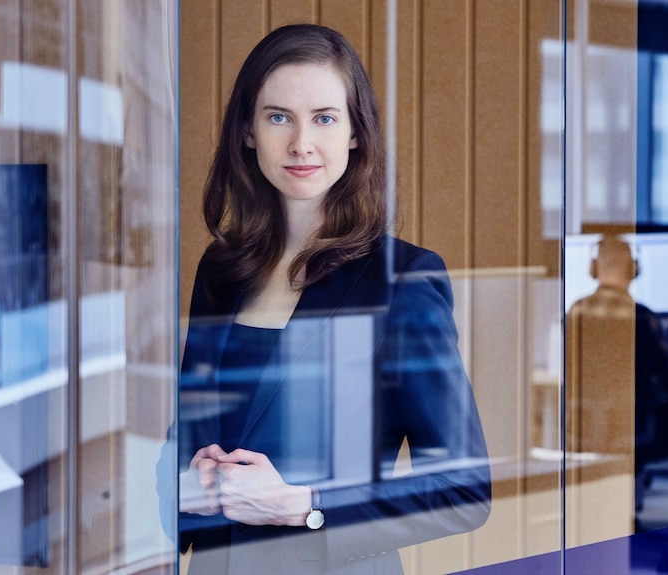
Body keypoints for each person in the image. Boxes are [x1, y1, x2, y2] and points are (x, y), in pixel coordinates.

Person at [163, 24, 491, 574]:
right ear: (247, 131)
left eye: (324, 118)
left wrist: (308, 507)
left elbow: (463, 490)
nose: (301, 144)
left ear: (355, 133)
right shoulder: (220, 271)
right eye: (277, 117)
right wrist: (179, 494)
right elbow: (187, 435)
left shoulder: (402, 279)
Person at [566, 236, 668, 516]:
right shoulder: (641, 317)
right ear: (634, 270)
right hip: (631, 428)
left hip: (583, 426)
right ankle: (630, 509)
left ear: (594, 268)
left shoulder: (575, 311)